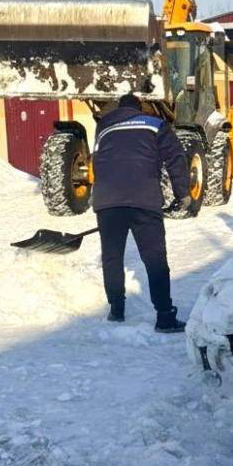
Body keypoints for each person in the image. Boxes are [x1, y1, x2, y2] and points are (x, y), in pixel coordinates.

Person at [91, 94, 191, 332]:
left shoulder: (103, 126)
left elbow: (98, 161)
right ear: (140, 108)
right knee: (155, 258)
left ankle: (116, 309)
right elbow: (175, 158)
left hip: (107, 202)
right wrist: (183, 193)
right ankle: (164, 316)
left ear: (119, 108)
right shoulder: (155, 124)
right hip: (144, 199)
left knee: (112, 257)